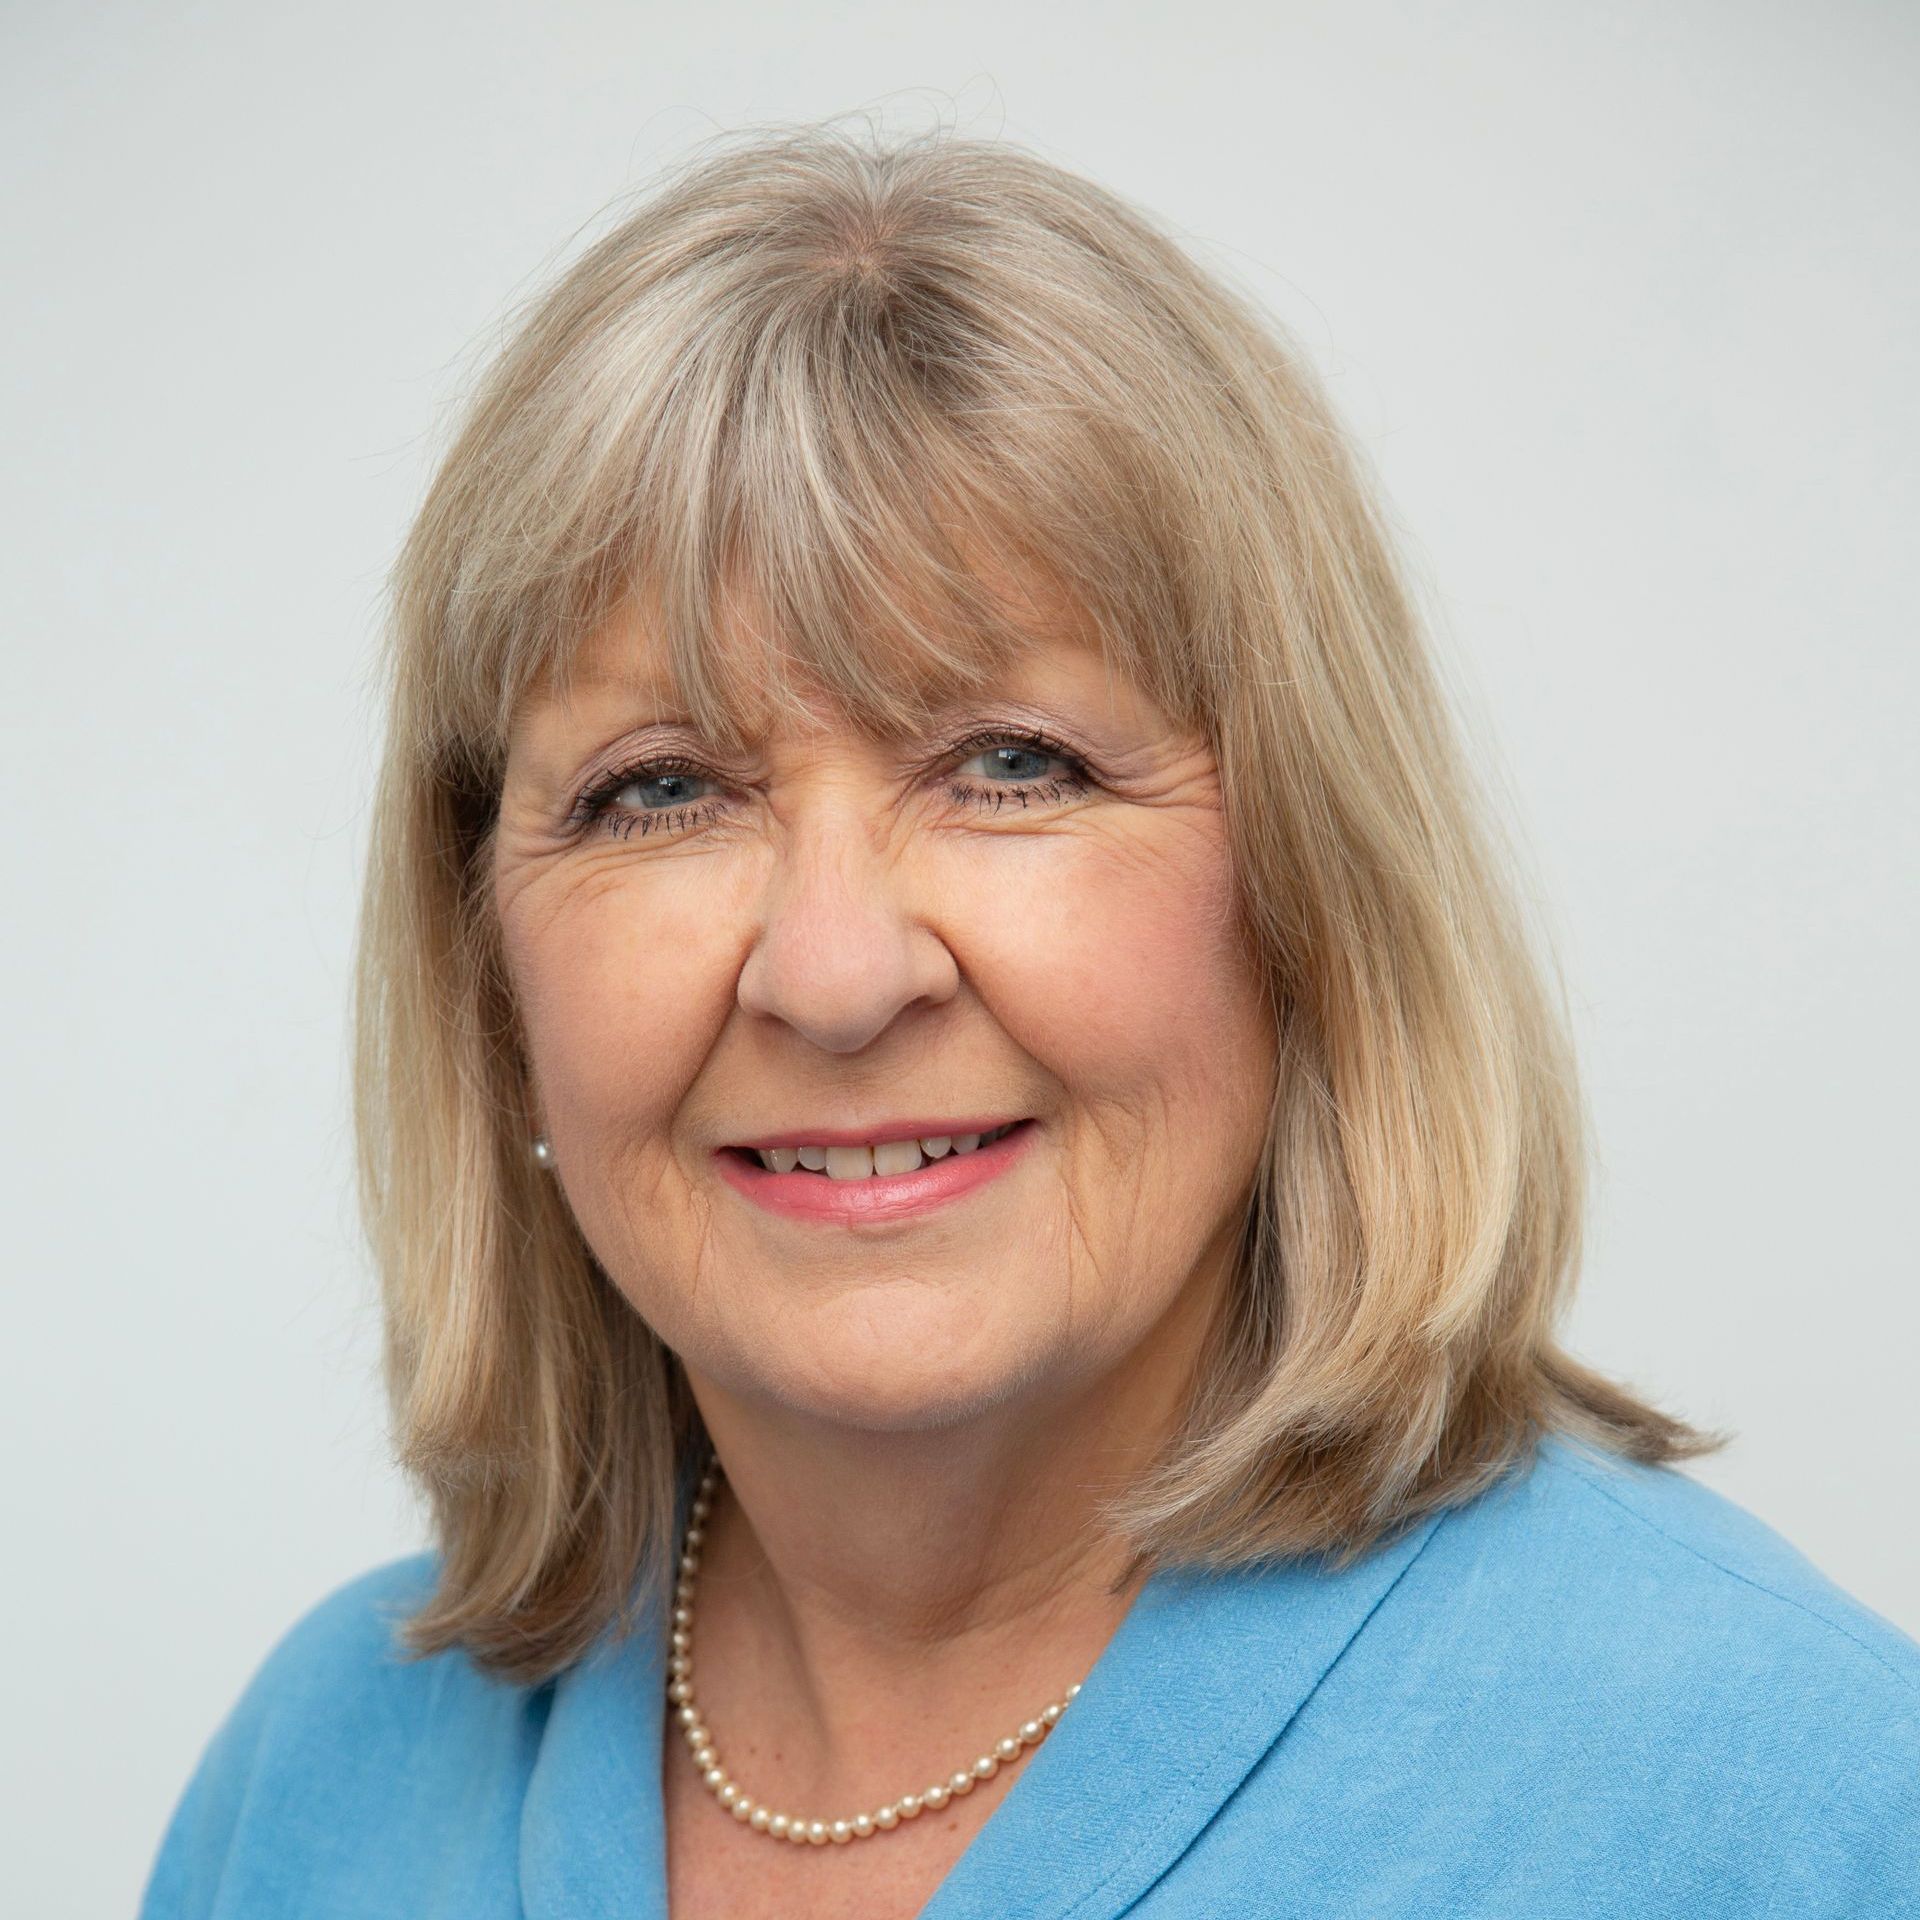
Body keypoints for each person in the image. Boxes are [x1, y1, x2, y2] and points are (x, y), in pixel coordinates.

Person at [138, 120, 1920, 1919]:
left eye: (1012, 764)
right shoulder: (319, 1783)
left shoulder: (1781, 1804)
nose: (833, 975)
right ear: (487, 967)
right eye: (660, 792)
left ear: (1314, 894)